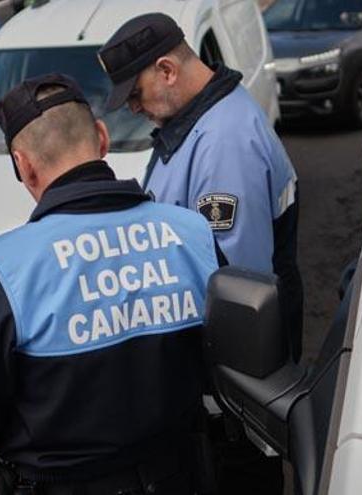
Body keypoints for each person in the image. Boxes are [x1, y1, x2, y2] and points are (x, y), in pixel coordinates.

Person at [0, 73, 223, 494]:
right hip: (183, 477)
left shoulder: (2, 268)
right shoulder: (193, 234)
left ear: (23, 164)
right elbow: (232, 366)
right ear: (101, 138)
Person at [98, 13, 304, 364]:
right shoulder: (197, 122)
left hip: (240, 357)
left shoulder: (225, 143)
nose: (132, 108)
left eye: (135, 94)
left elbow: (236, 288)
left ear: (167, 70)